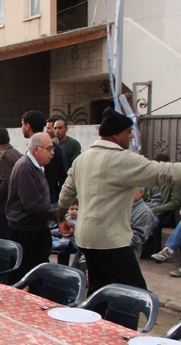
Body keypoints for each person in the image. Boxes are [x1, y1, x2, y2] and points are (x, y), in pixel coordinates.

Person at [58, 107, 181, 293]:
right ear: (116, 135)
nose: (132, 137)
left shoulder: (82, 159)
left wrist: (61, 219)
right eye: (129, 132)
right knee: (134, 294)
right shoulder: (122, 160)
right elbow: (163, 172)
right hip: (111, 241)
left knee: (100, 289)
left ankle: (98, 319)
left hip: (86, 238)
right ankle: (120, 322)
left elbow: (65, 194)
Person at [6, 133, 58, 283]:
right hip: (25, 231)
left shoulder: (36, 167)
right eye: (49, 149)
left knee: (38, 271)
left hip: (36, 229)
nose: (52, 153)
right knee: (24, 273)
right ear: (36, 149)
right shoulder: (25, 167)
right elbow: (33, 205)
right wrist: (58, 215)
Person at [22, 111, 65, 205]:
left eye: (22, 124)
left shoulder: (37, 150)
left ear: (27, 126)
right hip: (51, 200)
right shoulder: (56, 147)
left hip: (42, 204)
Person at [0, 127, 22, 241]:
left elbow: (7, 183)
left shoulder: (4, 157)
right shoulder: (15, 153)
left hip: (3, 207)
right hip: (10, 207)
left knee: (4, 242)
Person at [130, 188, 156, 261]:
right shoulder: (121, 206)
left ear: (141, 193)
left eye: (131, 190)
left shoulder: (145, 213)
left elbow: (138, 238)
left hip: (127, 255)